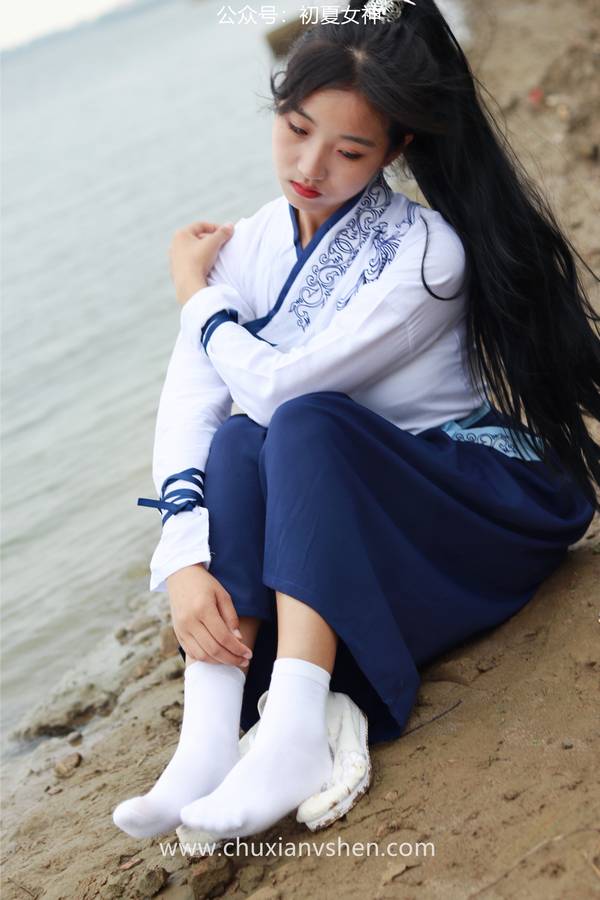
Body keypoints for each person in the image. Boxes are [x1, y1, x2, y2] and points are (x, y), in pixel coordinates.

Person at [112, 0, 599, 842]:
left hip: (462, 515)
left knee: (299, 423)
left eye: (348, 151)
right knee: (235, 441)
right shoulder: (251, 244)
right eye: (297, 129)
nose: (309, 167)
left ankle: (296, 726)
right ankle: (208, 737)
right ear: (277, 106)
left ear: (395, 150)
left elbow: (280, 391)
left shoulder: (427, 253)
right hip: (348, 532)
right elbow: (192, 401)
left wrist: (196, 296)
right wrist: (183, 560)